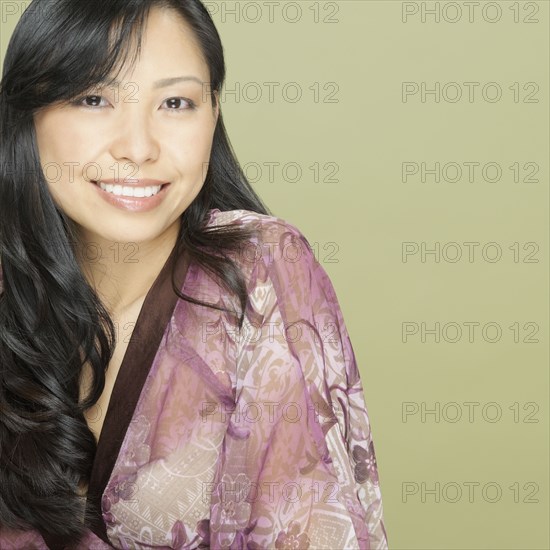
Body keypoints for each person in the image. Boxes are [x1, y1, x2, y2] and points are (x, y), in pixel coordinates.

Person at [0, 0, 389, 548]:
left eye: (176, 102)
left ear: (213, 114)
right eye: (94, 99)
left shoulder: (259, 273)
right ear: (26, 113)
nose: (138, 148)